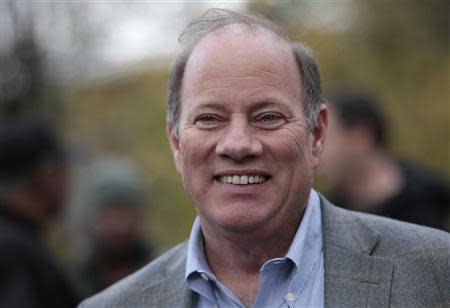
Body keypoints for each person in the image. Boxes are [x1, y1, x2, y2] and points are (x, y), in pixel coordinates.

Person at [79, 9, 449, 308]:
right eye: (209, 119)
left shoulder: (437, 273)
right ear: (177, 144)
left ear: (317, 134)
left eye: (268, 117)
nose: (238, 144)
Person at [319, 89, 449, 231]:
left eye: (326, 140)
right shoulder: (327, 216)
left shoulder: (429, 201)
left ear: (361, 138)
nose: (316, 151)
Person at [0, 115, 80, 308]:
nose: (68, 181)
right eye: (62, 169)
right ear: (46, 175)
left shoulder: (18, 240)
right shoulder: (14, 254)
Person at [73, 158, 154, 298]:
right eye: (110, 214)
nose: (119, 225)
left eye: (125, 212)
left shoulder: (165, 274)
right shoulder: (71, 284)